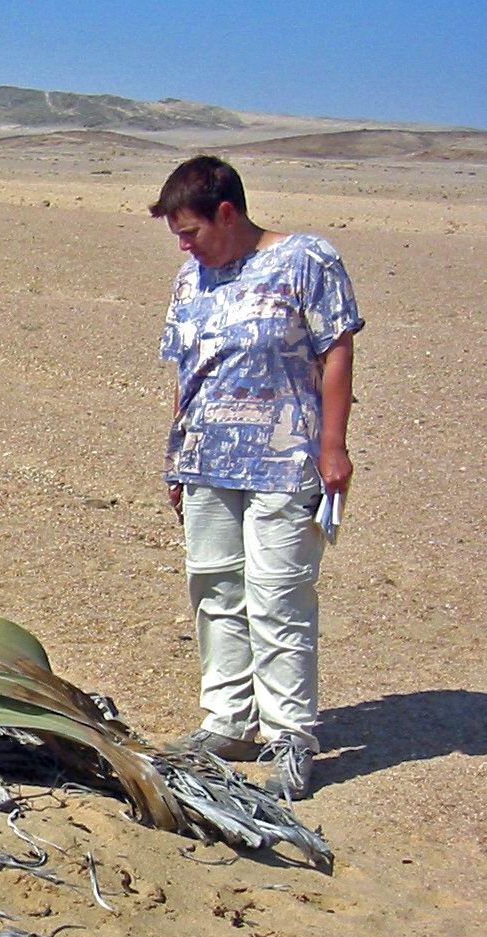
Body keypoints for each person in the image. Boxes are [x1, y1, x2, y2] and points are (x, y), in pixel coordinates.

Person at [151, 156, 363, 800]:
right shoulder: (192, 279)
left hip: (285, 460)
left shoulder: (306, 261)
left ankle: (291, 736)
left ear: (227, 212)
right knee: (214, 590)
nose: (183, 245)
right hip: (206, 458)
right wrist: (175, 456)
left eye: (190, 231)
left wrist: (333, 446)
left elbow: (337, 350)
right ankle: (228, 721)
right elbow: (189, 371)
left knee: (278, 597)